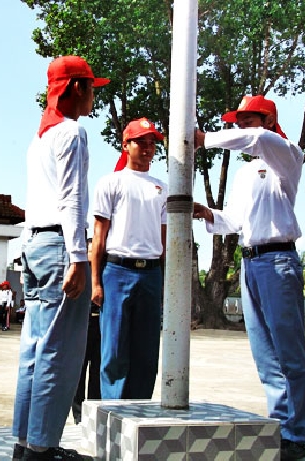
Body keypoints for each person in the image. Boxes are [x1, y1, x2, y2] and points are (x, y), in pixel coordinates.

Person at [192, 95, 305, 461]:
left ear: (268, 119)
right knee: (266, 357)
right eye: (238, 119)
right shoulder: (246, 173)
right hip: (251, 264)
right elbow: (235, 221)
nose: (241, 125)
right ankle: (281, 426)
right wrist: (206, 213)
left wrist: (205, 139)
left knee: (289, 353)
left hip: (278, 260)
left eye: (247, 119)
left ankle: (297, 434)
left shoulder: (287, 155)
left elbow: (258, 139)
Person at [12, 55, 108, 461]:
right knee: (61, 351)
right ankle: (43, 448)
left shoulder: (40, 138)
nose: (93, 96)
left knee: (34, 351)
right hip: (57, 247)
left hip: (33, 245)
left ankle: (25, 442)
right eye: (90, 88)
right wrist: (79, 258)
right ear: (74, 88)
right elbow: (71, 199)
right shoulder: (72, 132)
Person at [91, 118, 167, 400]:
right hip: (117, 270)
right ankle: (113, 410)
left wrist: (165, 281)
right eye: (141, 142)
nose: (148, 149)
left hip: (150, 273)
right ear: (126, 145)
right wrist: (95, 281)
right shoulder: (111, 182)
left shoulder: (162, 188)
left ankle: (140, 409)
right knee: (114, 349)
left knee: (147, 351)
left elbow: (164, 240)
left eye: (152, 143)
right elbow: (99, 237)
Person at [71, 239, 101, 424]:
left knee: (97, 371)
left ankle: (95, 411)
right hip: (82, 325)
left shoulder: (103, 272)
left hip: (100, 325)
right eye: (89, 250)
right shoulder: (79, 273)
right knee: (79, 372)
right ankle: (78, 414)